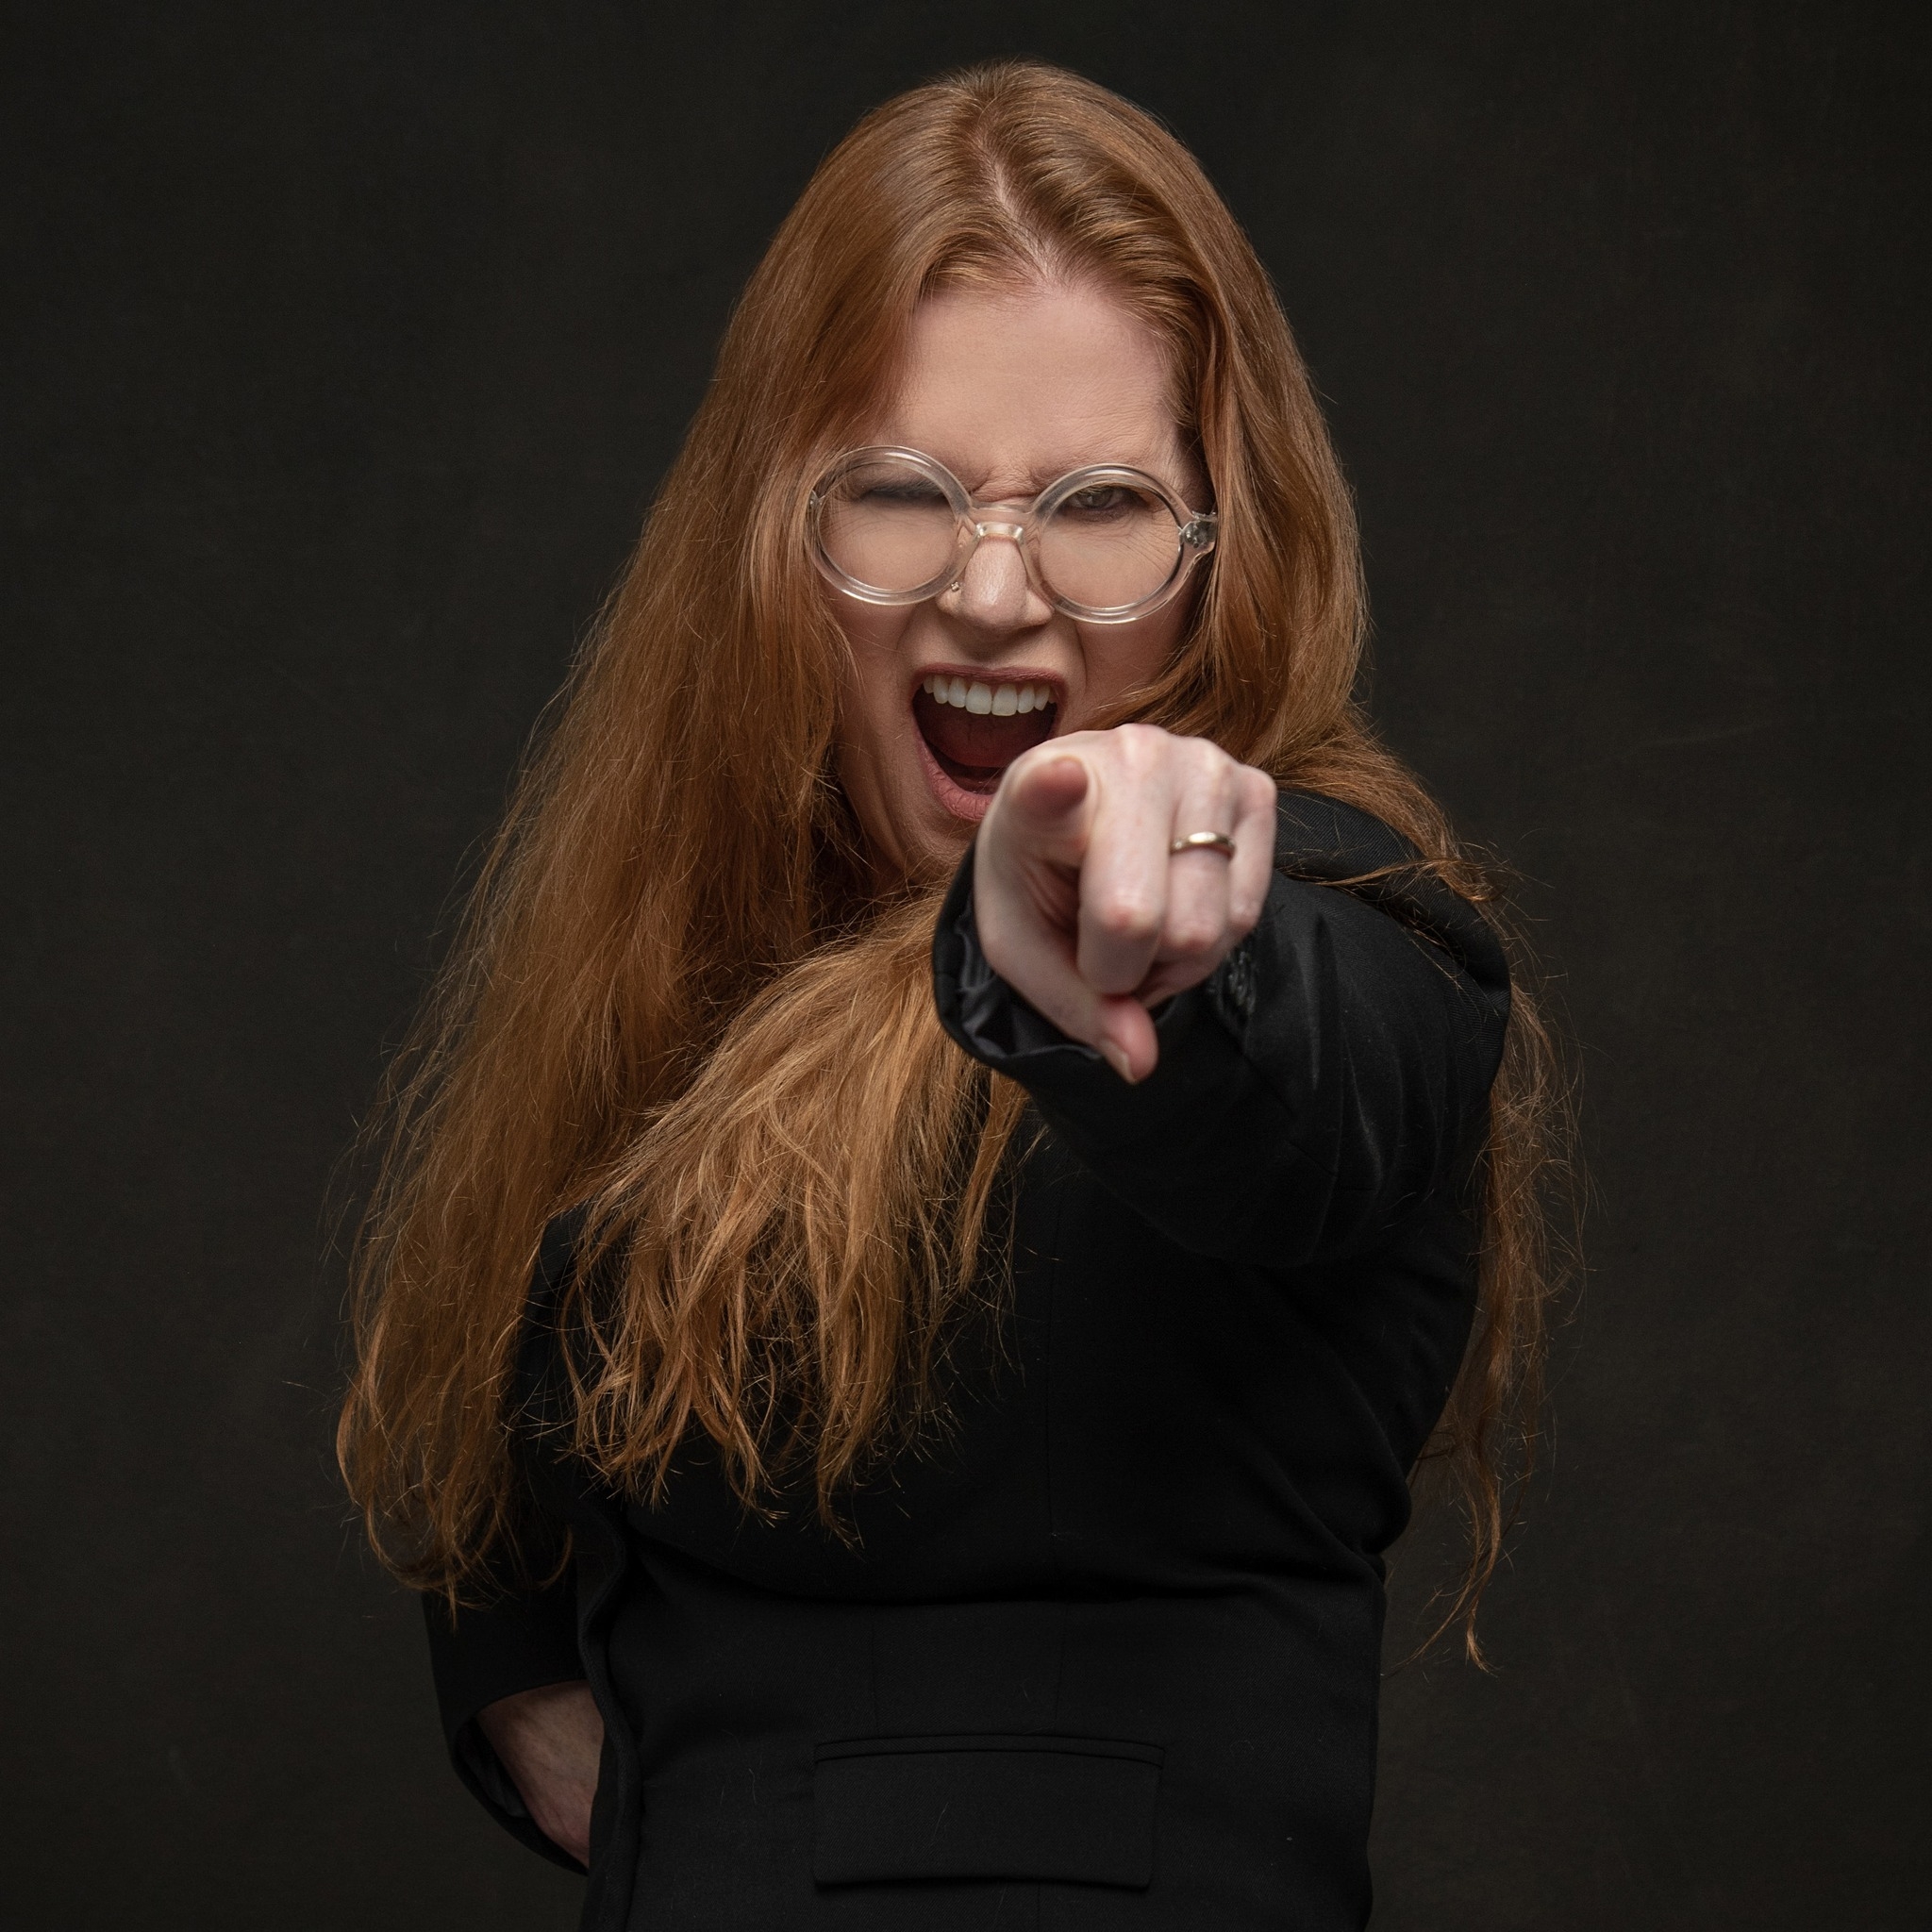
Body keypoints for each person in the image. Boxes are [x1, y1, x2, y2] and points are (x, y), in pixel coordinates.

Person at [340, 60, 1560, 1932]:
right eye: (902, 493)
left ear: (1226, 551)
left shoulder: (1330, 910)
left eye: (1103, 503)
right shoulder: (691, 952)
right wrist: (515, 1655)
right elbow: (558, 1324)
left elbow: (1311, 1083)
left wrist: (1129, 947)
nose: (995, 596)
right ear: (777, 526)